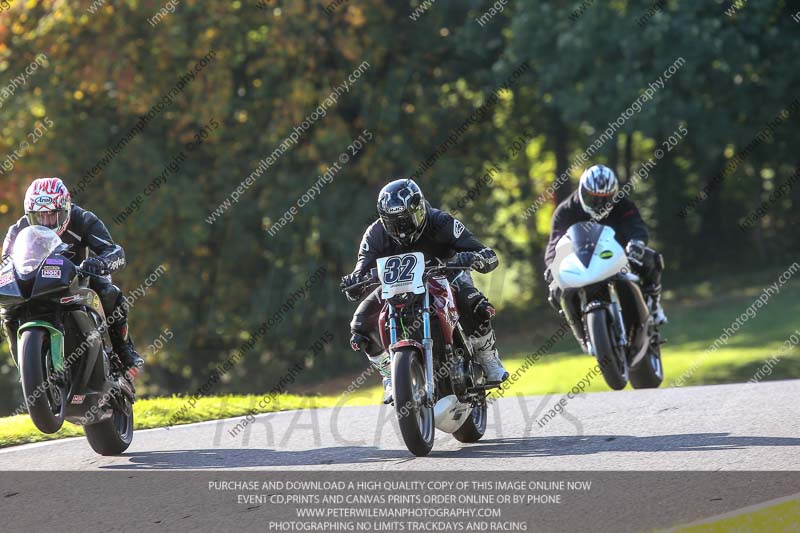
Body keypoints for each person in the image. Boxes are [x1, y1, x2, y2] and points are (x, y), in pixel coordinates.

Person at [341, 178, 508, 403]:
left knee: (473, 302)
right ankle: (390, 374)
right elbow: (360, 268)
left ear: (419, 210)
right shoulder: (375, 233)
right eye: (393, 223)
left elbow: (485, 253)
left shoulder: (442, 222)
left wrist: (477, 257)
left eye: (406, 221)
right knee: (359, 325)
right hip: (397, 286)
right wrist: (354, 282)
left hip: (445, 277)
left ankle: (488, 358)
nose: (401, 229)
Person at [1, 177, 143, 376]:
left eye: (52, 215)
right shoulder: (18, 228)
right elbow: (6, 261)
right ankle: (27, 371)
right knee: (6, 311)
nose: (46, 222)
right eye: (39, 216)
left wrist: (100, 263)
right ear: (29, 214)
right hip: (35, 283)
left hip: (78, 278)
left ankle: (123, 349)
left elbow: (114, 252)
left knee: (108, 291)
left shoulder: (83, 219)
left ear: (66, 208)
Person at [544, 164, 667, 325]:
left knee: (652, 259)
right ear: (582, 191)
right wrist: (552, 266)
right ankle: (577, 321)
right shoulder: (565, 211)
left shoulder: (623, 205)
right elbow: (554, 244)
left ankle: (654, 305)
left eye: (605, 199)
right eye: (592, 198)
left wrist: (636, 243)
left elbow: (636, 226)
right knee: (555, 289)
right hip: (580, 264)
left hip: (619, 257)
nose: (598, 204)